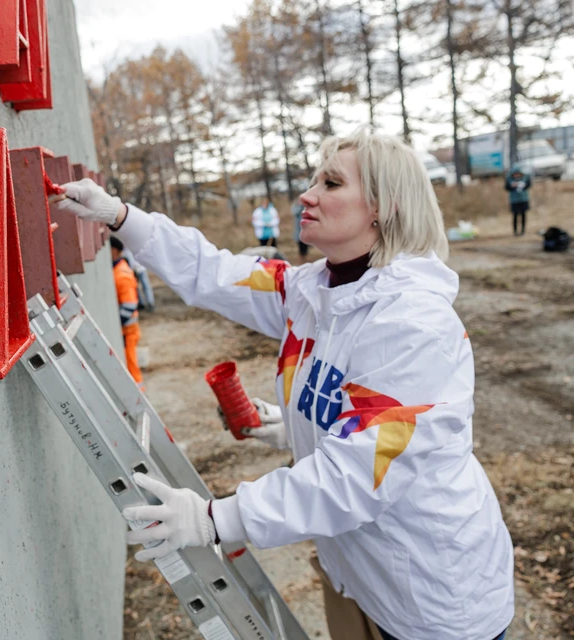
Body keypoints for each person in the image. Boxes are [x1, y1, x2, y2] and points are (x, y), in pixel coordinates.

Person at [55, 130, 513, 640]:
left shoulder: (414, 324)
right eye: (315, 178)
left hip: (435, 597)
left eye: (331, 183)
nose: (307, 194)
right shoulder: (312, 290)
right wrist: (121, 216)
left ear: (385, 207)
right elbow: (215, 272)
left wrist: (215, 518)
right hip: (363, 578)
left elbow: (359, 474)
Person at [110, 236, 144, 388]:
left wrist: (117, 326)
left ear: (116, 251)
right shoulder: (118, 270)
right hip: (126, 331)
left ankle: (139, 396)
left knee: (131, 367)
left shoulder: (121, 274)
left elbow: (129, 305)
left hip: (128, 332)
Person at [121, 246, 155, 312]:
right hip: (132, 269)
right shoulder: (125, 249)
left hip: (140, 268)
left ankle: (150, 302)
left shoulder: (135, 247)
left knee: (145, 285)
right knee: (136, 286)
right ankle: (141, 303)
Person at [505, 165, 531, 236]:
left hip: (523, 199)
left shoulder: (525, 178)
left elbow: (529, 184)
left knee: (523, 215)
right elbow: (506, 187)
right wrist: (512, 186)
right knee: (515, 215)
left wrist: (523, 185)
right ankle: (515, 231)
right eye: (515, 173)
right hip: (514, 200)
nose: (517, 175)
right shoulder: (509, 179)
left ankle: (523, 231)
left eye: (518, 173)